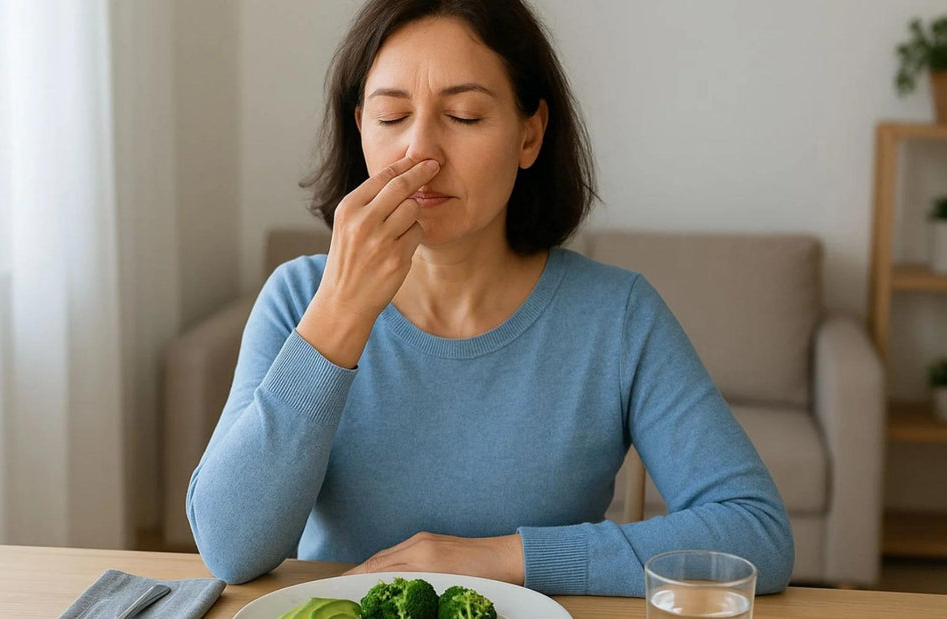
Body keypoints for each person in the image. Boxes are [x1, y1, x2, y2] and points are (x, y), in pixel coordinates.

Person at [187, 0, 794, 597]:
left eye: (466, 116)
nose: (419, 152)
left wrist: (503, 558)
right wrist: (340, 313)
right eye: (392, 118)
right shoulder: (298, 298)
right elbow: (230, 550)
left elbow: (757, 534)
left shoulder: (619, 315)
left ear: (529, 136)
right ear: (361, 132)